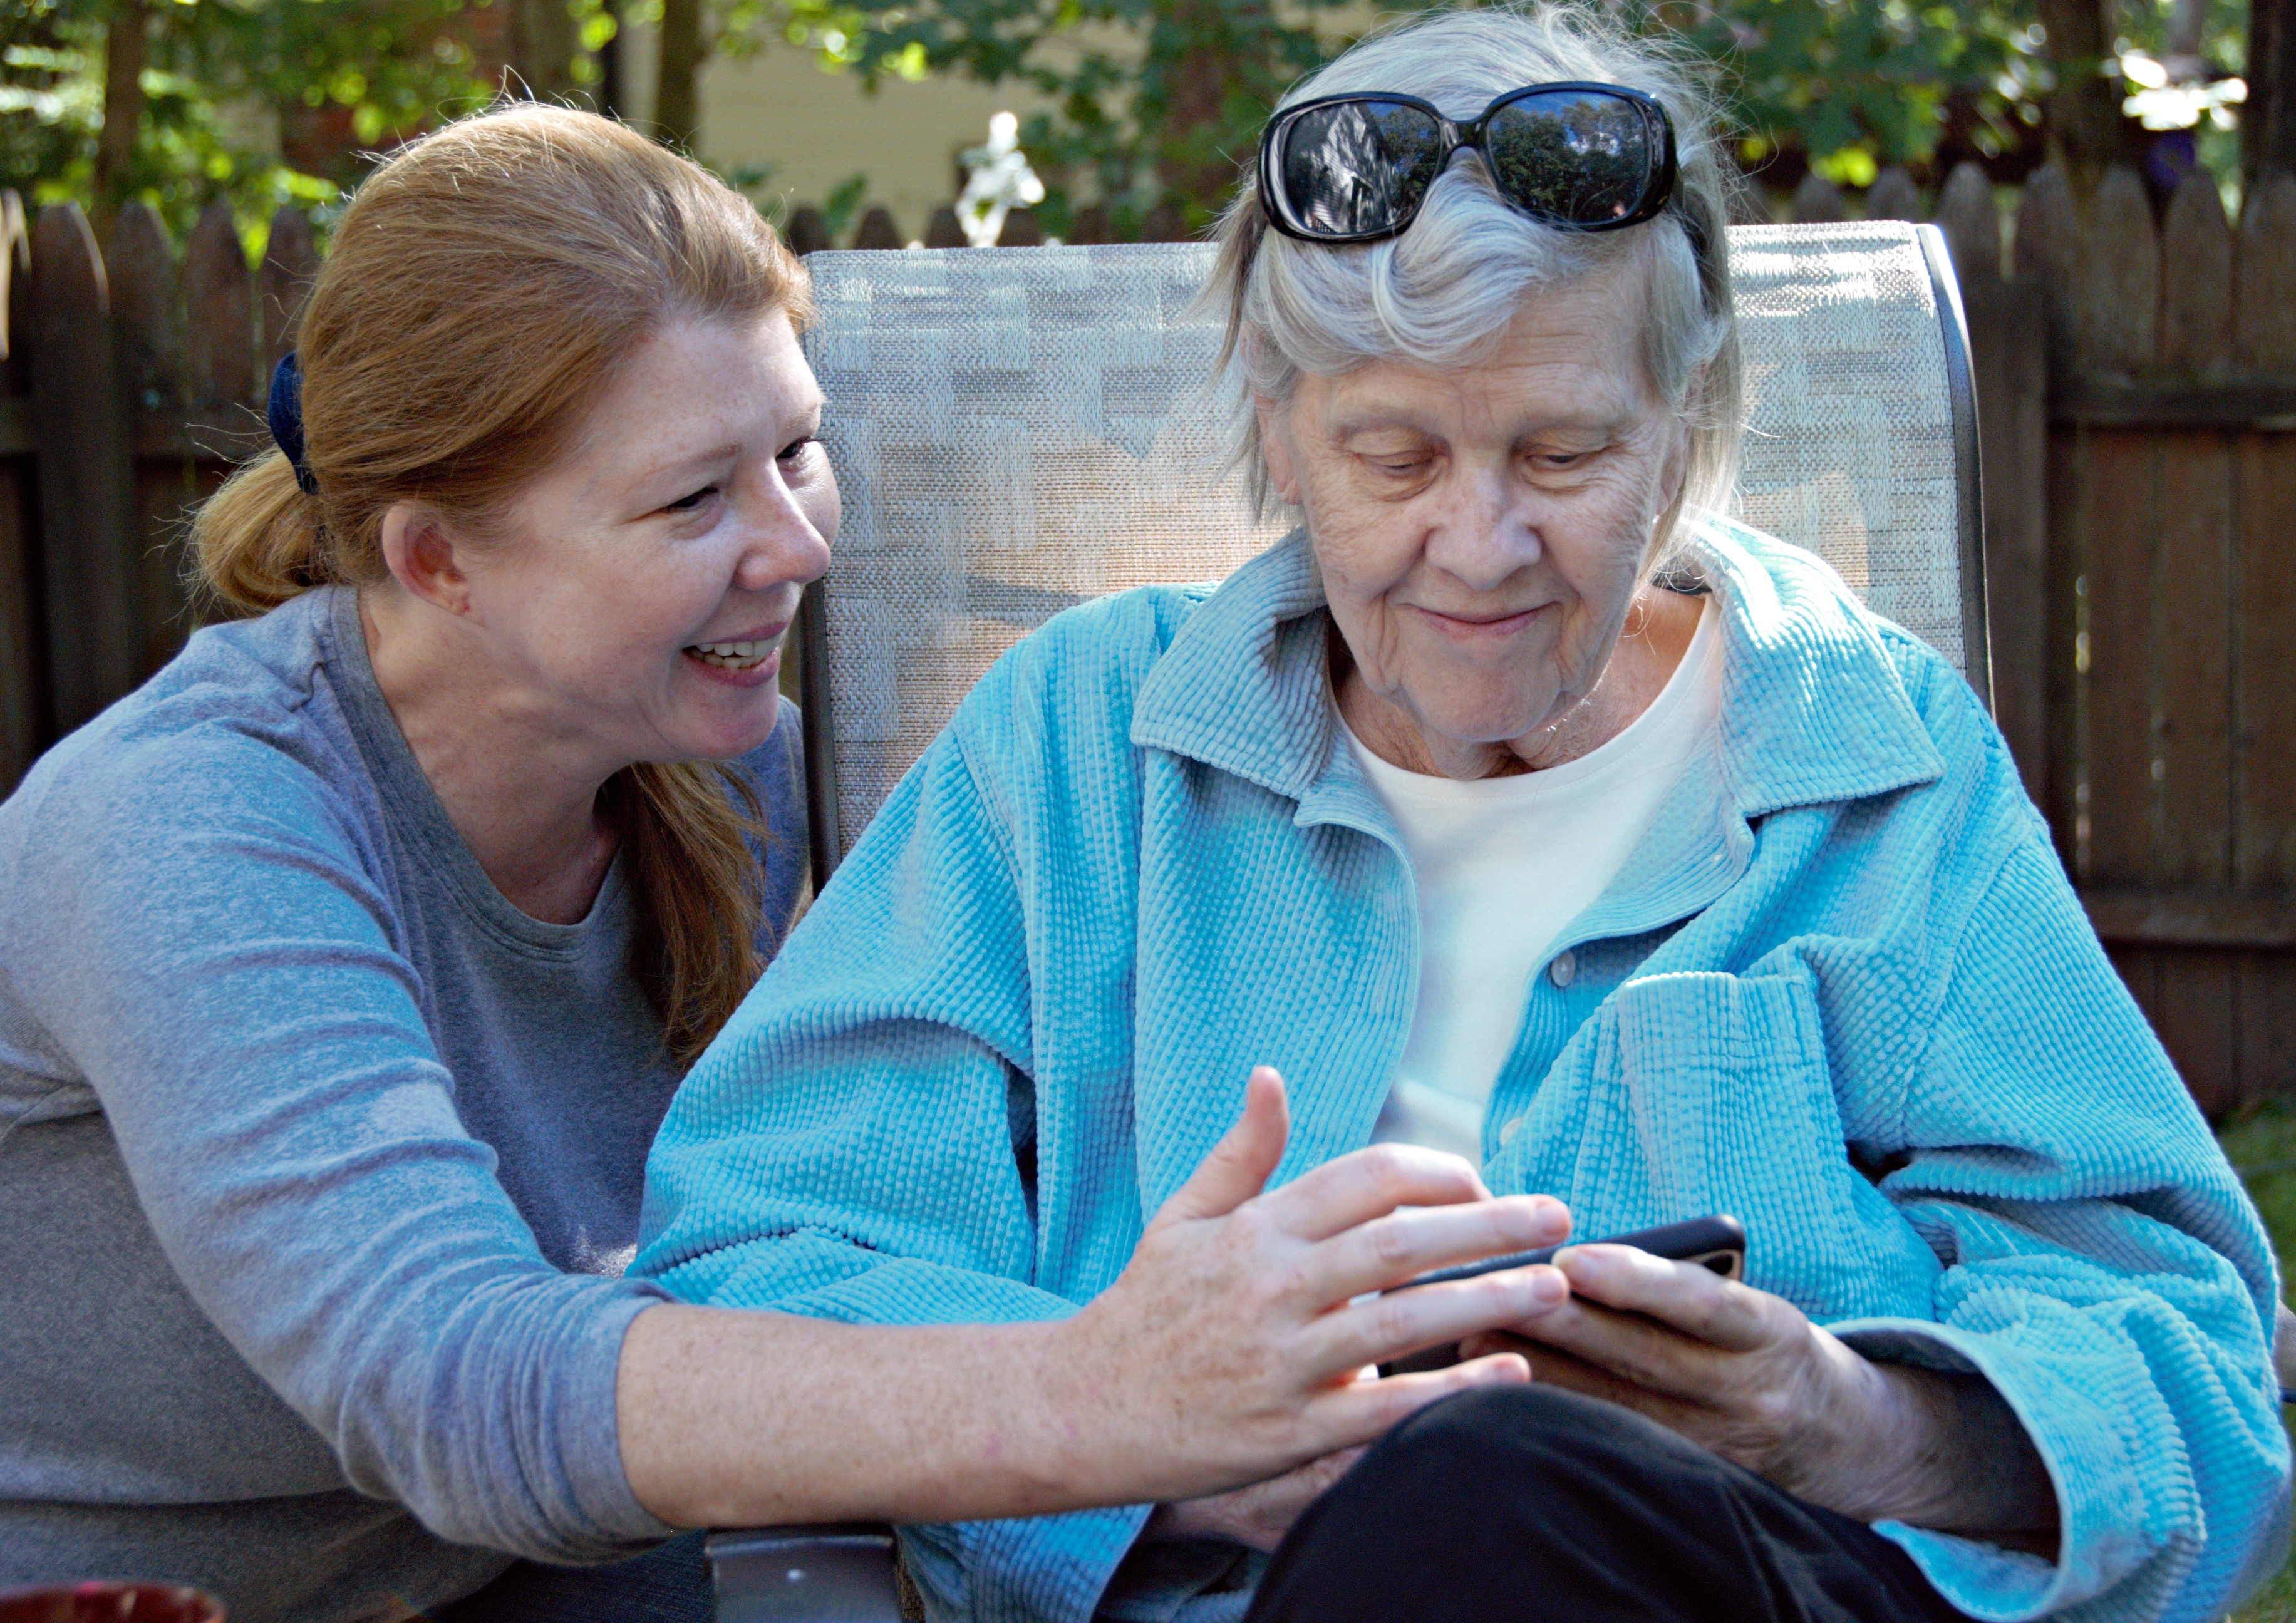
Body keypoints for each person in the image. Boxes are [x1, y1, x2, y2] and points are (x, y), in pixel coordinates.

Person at [634, 9, 2293, 1622]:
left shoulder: (1867, 766)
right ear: (1279, 434)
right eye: (1396, 458)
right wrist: (1133, 1425)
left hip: (1731, 1573)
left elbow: (2193, 1356)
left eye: (1564, 454)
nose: (1481, 547)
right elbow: (742, 1264)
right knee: (1459, 1494)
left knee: (1493, 1484)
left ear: (1681, 426)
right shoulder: (1081, 754)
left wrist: (1838, 1415)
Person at [0, 103, 1591, 1623]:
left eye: (799, 450)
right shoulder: (190, 828)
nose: (804, 542)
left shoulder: (710, 762)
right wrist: (1115, 1397)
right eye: (697, 498)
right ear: (438, 561)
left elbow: (778, 1242)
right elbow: (460, 1386)